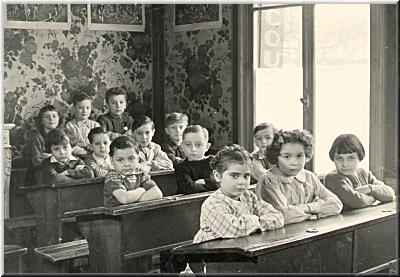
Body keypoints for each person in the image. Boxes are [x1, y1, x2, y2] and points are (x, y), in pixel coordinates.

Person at [193, 144, 284, 244]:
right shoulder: (212, 204)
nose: (241, 181)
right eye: (235, 176)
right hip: (210, 254)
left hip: (240, 248)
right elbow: (235, 230)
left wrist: (248, 224)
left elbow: (277, 218)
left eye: (246, 176)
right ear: (218, 176)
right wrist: (258, 221)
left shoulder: (249, 196)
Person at [256, 129, 343, 225]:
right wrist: (318, 207)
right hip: (280, 236)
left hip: (309, 230)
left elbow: (336, 204)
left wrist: (304, 208)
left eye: (299, 156)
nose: (294, 162)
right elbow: (284, 216)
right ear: (276, 157)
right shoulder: (268, 180)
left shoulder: (309, 176)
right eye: (287, 157)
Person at [324, 134, 395, 211]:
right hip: (341, 221)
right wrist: (376, 197)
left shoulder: (364, 173)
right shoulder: (333, 178)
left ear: (360, 157)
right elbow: (357, 202)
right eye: (339, 158)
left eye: (351, 158)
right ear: (333, 159)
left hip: (363, 218)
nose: (344, 164)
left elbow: (390, 193)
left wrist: (369, 188)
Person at [104, 136, 163, 207]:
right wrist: (142, 190)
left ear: (138, 158)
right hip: (117, 216)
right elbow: (124, 199)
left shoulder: (140, 173)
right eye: (120, 160)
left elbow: (157, 194)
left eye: (131, 158)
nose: (127, 164)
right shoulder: (113, 175)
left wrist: (133, 200)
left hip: (136, 212)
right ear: (111, 160)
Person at [24, 104, 64, 185]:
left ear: (59, 119)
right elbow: (36, 162)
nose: (51, 119)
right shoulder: (36, 136)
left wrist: (49, 157)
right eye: (47, 117)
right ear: (41, 121)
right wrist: (56, 158)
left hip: (57, 170)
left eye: (54, 116)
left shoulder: (62, 134)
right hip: (38, 175)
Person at [175, 125, 218, 194]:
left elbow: (223, 183)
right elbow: (188, 189)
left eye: (198, 145)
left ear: (207, 147)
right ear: (182, 146)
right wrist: (211, 184)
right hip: (189, 203)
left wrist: (204, 182)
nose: (193, 149)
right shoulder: (181, 167)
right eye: (188, 145)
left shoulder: (214, 162)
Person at [65, 92, 100, 157]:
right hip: (76, 156)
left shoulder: (95, 125)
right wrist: (85, 145)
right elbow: (70, 144)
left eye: (87, 108)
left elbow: (99, 143)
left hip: (94, 156)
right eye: (80, 108)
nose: (84, 111)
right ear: (74, 108)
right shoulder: (69, 125)